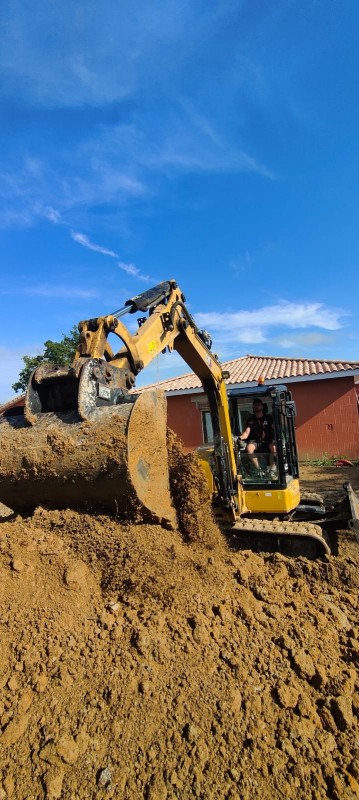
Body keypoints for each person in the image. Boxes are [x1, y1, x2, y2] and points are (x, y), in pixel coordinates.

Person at [238, 398, 277, 477]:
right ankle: (259, 469)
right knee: (249, 447)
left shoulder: (269, 418)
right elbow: (246, 433)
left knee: (274, 447)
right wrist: (239, 438)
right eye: (255, 405)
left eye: (258, 405)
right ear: (252, 407)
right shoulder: (250, 420)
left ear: (262, 407)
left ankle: (272, 470)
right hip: (256, 441)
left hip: (268, 441)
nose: (256, 406)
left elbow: (275, 428)